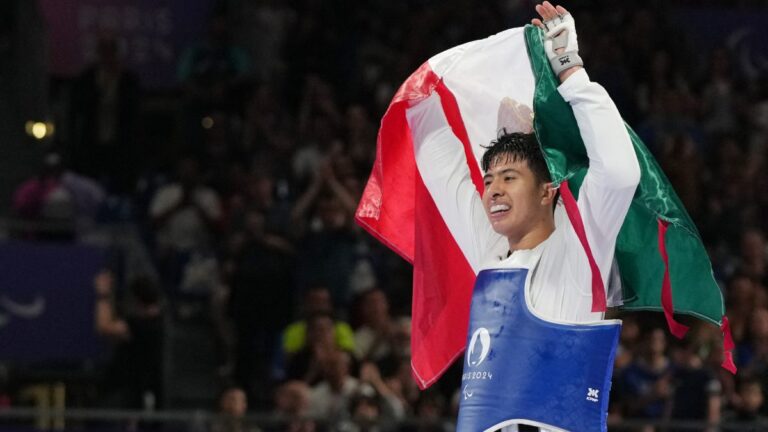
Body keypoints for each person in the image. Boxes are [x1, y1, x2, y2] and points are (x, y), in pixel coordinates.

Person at [407, 2, 640, 430]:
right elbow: (433, 149)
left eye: (509, 177)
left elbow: (621, 172)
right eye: (489, 179)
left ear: (548, 190)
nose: (492, 188)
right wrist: (447, 77)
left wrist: (570, 70)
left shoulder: (578, 253)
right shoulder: (491, 257)